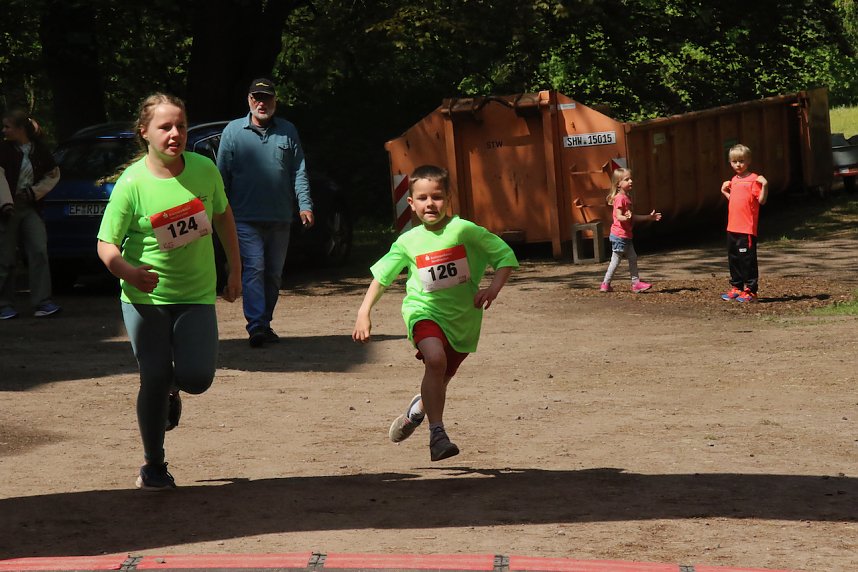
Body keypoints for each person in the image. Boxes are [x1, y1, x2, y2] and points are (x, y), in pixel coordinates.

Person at [96, 93, 241, 491]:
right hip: (145, 299)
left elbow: (224, 217)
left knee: (197, 377)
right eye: (165, 126)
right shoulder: (132, 183)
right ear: (143, 132)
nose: (175, 133)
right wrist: (129, 271)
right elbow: (106, 245)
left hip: (196, 293)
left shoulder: (204, 169)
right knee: (153, 378)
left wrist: (235, 269)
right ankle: (154, 465)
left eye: (180, 125)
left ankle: (175, 389)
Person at [352, 164, 518, 461]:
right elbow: (382, 277)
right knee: (435, 359)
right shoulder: (408, 241)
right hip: (423, 311)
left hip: (463, 320)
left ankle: (416, 411)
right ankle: (437, 435)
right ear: (411, 203)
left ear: (448, 198)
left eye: (437, 197)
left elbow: (505, 256)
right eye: (424, 198)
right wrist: (364, 312)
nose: (431, 204)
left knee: (439, 379)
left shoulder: (465, 230)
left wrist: (493, 289)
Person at [216, 77, 313, 348]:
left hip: (280, 217)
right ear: (249, 100)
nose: (262, 102)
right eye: (257, 97)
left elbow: (299, 171)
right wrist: (219, 211)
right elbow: (221, 175)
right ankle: (256, 324)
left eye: (267, 98)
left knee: (273, 273)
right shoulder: (233, 132)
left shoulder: (288, 131)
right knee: (255, 267)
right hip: (244, 218)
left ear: (275, 101)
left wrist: (305, 205)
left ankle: (264, 323)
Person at [0, 110, 62, 319]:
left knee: (38, 250)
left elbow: (53, 174)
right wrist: (5, 203)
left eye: (7, 126)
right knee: (5, 256)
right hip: (6, 209)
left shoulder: (40, 150)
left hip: (29, 207)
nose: (4, 130)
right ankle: (3, 304)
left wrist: (34, 192)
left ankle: (43, 302)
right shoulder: (3, 150)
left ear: (20, 129)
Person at [599, 167, 661, 293]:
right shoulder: (620, 198)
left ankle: (632, 283)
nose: (631, 181)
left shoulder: (625, 197)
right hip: (620, 236)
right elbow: (618, 216)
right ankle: (608, 283)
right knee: (616, 261)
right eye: (627, 179)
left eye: (630, 178)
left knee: (631, 258)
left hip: (625, 235)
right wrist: (625, 217)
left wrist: (649, 217)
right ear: (618, 184)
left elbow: (632, 217)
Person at [720, 143, 768, 303]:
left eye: (741, 161)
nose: (738, 164)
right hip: (732, 227)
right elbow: (735, 201)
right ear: (730, 162)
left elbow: (761, 201)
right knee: (733, 258)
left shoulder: (754, 179)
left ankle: (750, 290)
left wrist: (765, 185)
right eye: (734, 161)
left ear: (748, 161)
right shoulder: (734, 180)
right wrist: (725, 192)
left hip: (746, 229)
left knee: (747, 259)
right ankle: (737, 287)